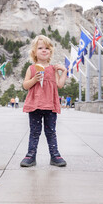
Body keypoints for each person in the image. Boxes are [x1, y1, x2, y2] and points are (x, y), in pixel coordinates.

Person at [20, 35, 67, 167]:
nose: (44, 50)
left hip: (50, 106)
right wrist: (34, 79)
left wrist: (64, 72)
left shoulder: (53, 69)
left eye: (47, 48)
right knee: (34, 132)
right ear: (34, 52)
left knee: (51, 131)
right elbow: (25, 85)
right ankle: (30, 155)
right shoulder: (32, 68)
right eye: (40, 48)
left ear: (50, 51)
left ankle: (55, 155)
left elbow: (60, 84)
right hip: (35, 105)